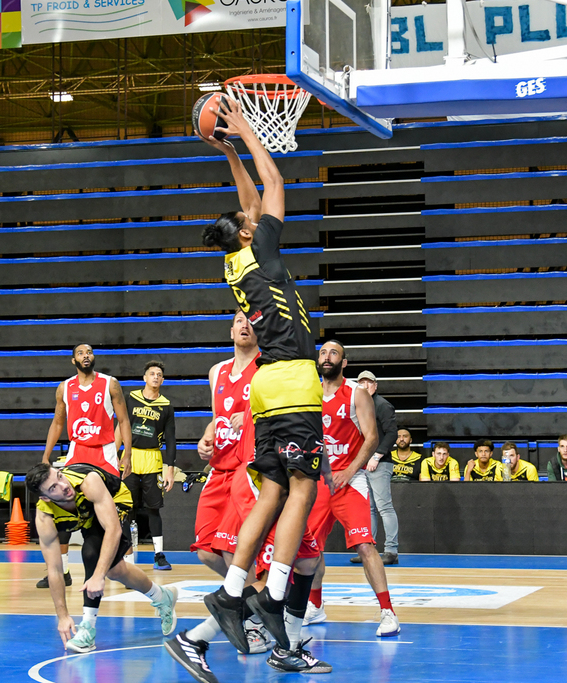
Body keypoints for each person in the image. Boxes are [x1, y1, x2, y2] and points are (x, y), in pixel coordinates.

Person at [166, 95, 331, 681]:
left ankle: (234, 591)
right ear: (245, 233)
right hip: (290, 381)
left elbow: (251, 201)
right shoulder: (260, 251)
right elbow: (274, 185)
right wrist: (248, 132)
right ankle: (271, 595)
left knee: (274, 489)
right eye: (251, 219)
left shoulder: (238, 261)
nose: (258, 215)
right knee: (303, 488)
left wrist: (228, 151)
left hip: (269, 387)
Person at [187, 309, 273, 655]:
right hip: (218, 468)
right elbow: (216, 417)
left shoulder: (267, 368)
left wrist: (250, 414)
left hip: (246, 468)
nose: (244, 325)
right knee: (206, 553)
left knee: (232, 549)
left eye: (250, 320)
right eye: (239, 320)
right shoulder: (217, 371)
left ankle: (254, 625)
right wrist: (205, 439)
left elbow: (276, 414)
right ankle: (249, 602)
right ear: (231, 329)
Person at [25, 462, 179, 652]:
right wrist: (62, 616)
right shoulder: (44, 517)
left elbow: (113, 529)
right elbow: (54, 569)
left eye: (59, 476)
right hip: (87, 516)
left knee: (91, 553)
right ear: (45, 498)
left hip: (115, 499)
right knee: (115, 570)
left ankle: (87, 628)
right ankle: (162, 596)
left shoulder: (88, 481)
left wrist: (98, 576)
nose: (63, 485)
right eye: (53, 488)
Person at [304, 341, 400, 637]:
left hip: (351, 480)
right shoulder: (309, 393)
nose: (327, 357)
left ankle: (388, 612)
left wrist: (349, 470)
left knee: (365, 546)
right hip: (319, 481)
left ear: (344, 362)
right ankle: (315, 605)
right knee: (309, 548)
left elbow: (371, 438)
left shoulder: (356, 393)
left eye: (334, 353)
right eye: (323, 352)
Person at [37, 343, 134, 588]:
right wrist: (46, 455)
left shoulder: (110, 383)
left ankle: (121, 565)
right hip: (77, 454)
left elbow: (123, 420)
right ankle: (63, 570)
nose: (86, 355)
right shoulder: (64, 388)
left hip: (105, 454)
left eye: (89, 352)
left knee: (108, 515)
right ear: (74, 360)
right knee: (62, 509)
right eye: (80, 353)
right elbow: (57, 423)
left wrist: (127, 455)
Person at [117, 360, 177, 571]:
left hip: (152, 459)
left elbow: (171, 439)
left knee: (154, 509)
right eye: (152, 373)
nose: (155, 377)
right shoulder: (130, 398)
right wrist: (113, 455)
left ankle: (159, 555)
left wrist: (170, 469)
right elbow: (120, 427)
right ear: (144, 378)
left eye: (159, 374)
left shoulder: (166, 406)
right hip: (129, 457)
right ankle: (127, 558)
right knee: (125, 509)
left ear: (163, 380)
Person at [352, 370, 399, 566]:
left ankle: (391, 550)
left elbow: (392, 433)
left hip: (380, 462)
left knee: (384, 507)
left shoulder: (382, 405)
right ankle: (368, 551)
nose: (365, 386)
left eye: (369, 383)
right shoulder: (359, 405)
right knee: (369, 508)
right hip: (364, 463)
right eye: (361, 383)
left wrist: (377, 455)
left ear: (375, 385)